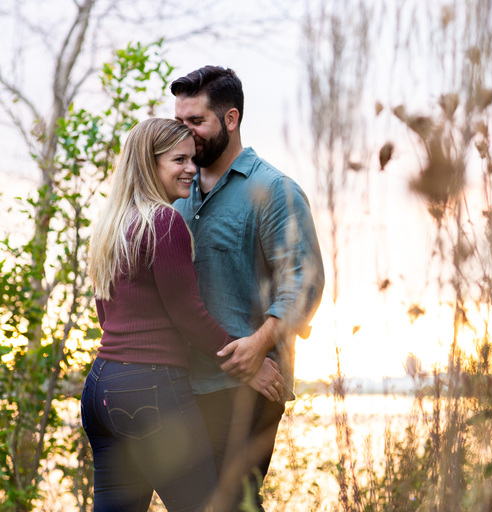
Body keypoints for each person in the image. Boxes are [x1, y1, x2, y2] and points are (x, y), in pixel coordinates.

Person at [80, 118, 283, 512]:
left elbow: (105, 314)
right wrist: (247, 363)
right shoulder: (164, 222)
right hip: (151, 389)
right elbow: (188, 315)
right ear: (148, 164)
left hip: (101, 386)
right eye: (179, 160)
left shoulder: (110, 227)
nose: (192, 168)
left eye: (192, 159)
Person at [171, 66, 324, 511]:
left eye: (196, 122)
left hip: (247, 388)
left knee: (234, 504)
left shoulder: (274, 189)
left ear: (231, 119)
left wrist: (261, 344)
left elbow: (305, 280)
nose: (185, 134)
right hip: (182, 386)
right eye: (179, 122)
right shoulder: (177, 190)